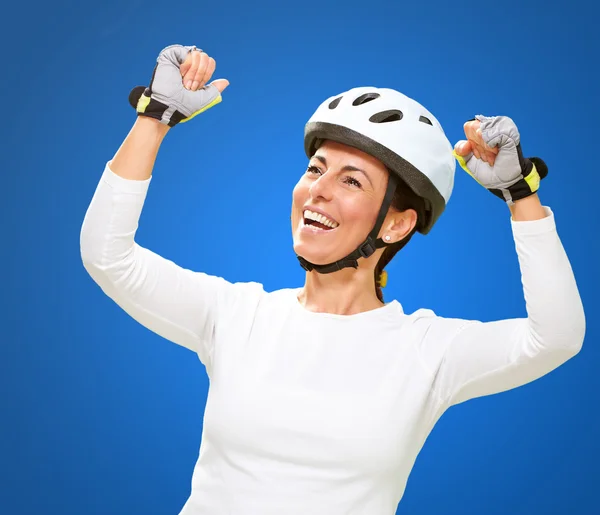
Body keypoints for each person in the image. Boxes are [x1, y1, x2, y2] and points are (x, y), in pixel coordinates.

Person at [79, 44, 586, 515]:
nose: (317, 190)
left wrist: (521, 193)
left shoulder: (429, 351)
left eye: (350, 180)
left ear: (397, 223)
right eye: (315, 168)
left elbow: (557, 338)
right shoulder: (236, 315)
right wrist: (156, 116)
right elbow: (108, 256)